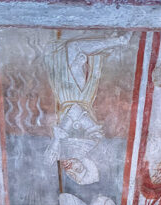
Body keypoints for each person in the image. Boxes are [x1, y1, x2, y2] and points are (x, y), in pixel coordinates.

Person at [44, 36, 127, 185]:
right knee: (72, 47)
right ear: (85, 163)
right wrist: (64, 128)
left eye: (71, 174)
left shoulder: (65, 151)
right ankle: (119, 41)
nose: (71, 169)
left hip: (65, 97)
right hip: (75, 96)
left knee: (66, 51)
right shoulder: (87, 146)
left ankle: (112, 43)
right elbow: (75, 111)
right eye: (79, 169)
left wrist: (57, 138)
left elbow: (47, 159)